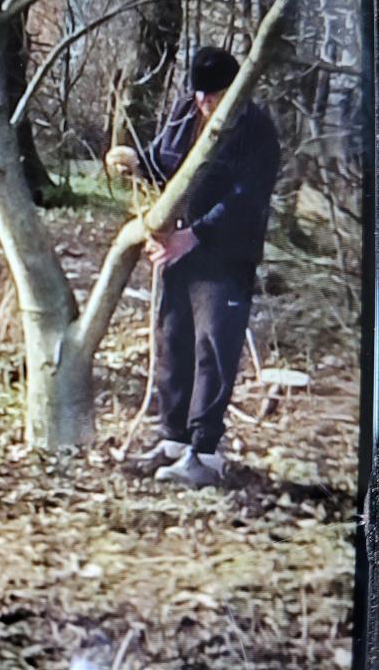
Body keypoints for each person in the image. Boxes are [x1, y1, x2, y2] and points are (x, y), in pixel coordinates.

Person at [106, 46, 280, 487]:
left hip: (225, 256)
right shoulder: (187, 110)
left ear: (236, 88)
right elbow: (164, 160)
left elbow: (246, 200)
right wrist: (134, 162)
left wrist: (193, 236)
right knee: (172, 340)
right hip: (176, 248)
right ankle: (173, 441)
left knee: (213, 348)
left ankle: (205, 454)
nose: (204, 103)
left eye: (214, 94)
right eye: (199, 93)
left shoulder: (257, 130)